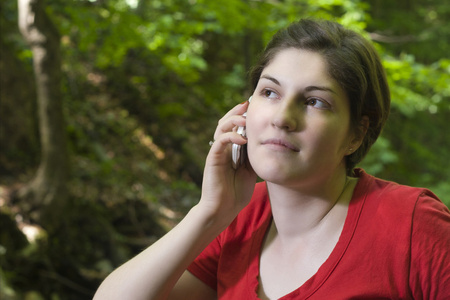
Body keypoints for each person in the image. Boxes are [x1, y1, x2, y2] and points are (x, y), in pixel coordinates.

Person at [93, 18, 450, 300]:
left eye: (315, 102)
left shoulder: (411, 223)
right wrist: (210, 212)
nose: (282, 117)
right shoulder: (237, 220)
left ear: (356, 134)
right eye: (269, 92)